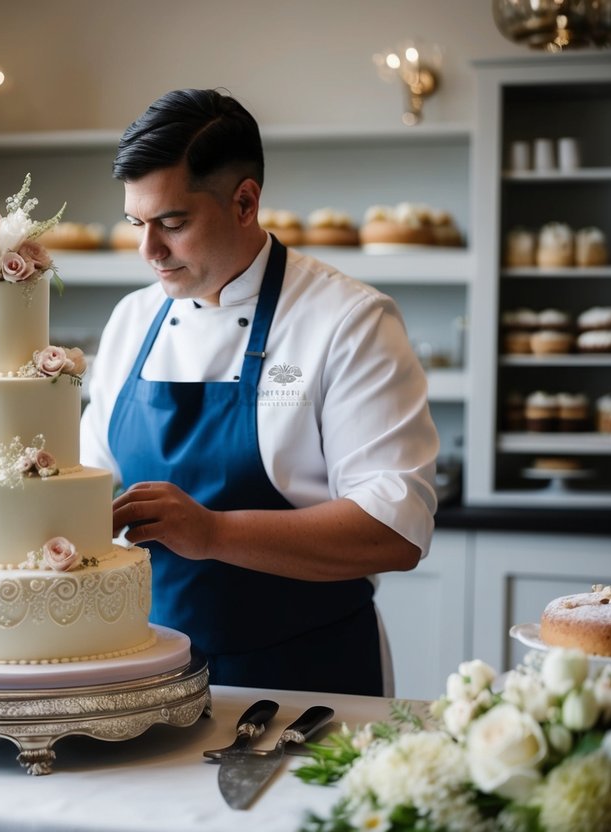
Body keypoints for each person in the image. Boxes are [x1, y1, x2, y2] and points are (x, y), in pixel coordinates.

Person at [80, 88, 438, 696]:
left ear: (245, 202)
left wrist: (214, 533)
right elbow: (89, 479)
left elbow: (395, 531)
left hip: (307, 681)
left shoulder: (349, 321)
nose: (150, 252)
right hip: (143, 675)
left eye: (172, 223)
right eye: (137, 224)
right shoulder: (131, 320)